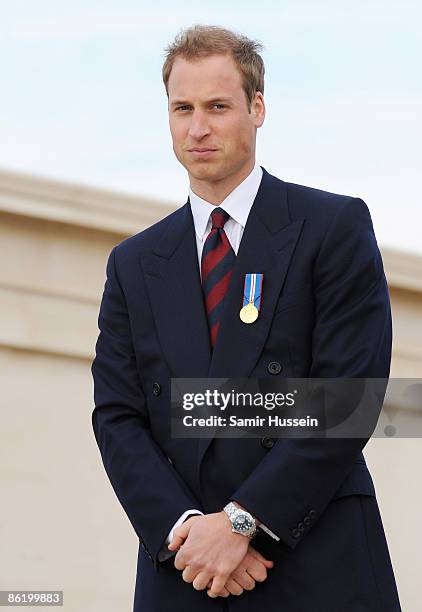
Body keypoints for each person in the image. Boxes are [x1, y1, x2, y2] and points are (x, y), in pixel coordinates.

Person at [91, 25, 402, 611]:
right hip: (184, 573)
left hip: (314, 563)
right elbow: (118, 418)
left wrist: (240, 523)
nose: (198, 127)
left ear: (257, 109)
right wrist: (189, 531)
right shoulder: (133, 264)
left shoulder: (331, 228)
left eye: (217, 106)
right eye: (182, 108)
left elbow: (346, 398)